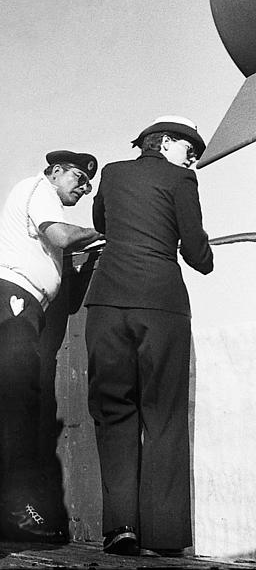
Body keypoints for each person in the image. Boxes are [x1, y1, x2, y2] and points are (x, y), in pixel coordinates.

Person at [85, 116, 214, 557]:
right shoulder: (182, 180)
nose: (192, 157)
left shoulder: (112, 173)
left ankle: (120, 527)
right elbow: (197, 254)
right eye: (189, 148)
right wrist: (204, 248)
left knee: (114, 411)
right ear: (168, 143)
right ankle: (163, 535)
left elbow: (102, 222)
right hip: (160, 305)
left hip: (106, 305)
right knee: (163, 415)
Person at [0, 150, 102, 543]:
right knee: (18, 409)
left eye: (87, 183)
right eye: (78, 178)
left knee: (13, 408)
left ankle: (2, 511)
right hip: (14, 299)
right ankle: (18, 512)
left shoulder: (39, 196)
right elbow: (61, 236)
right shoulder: (40, 188)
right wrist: (101, 232)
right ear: (55, 171)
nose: (83, 187)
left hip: (19, 305)